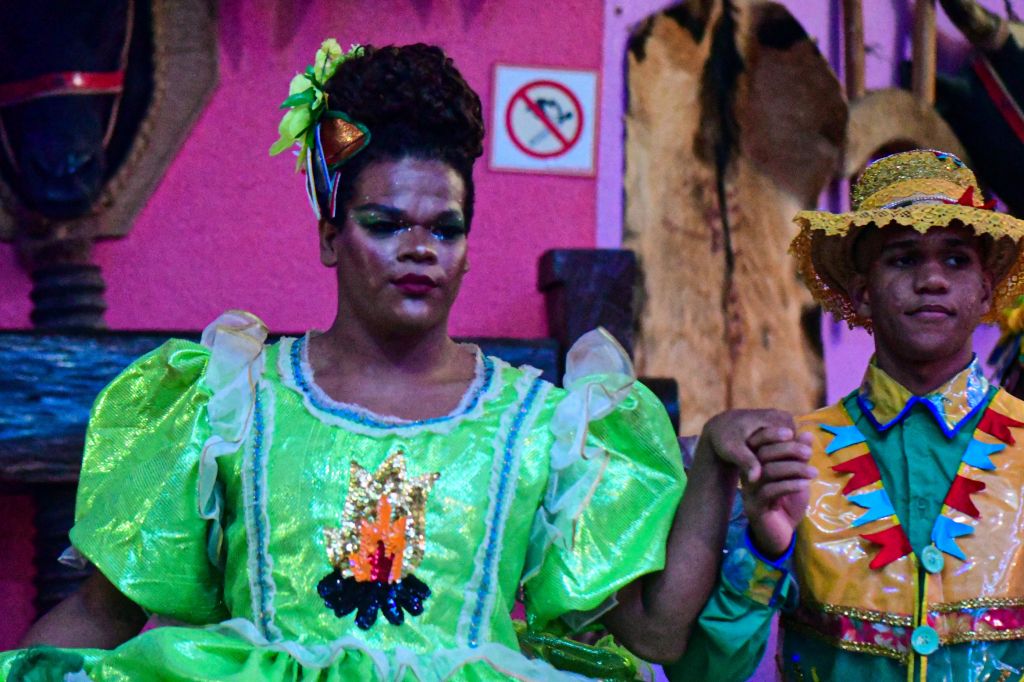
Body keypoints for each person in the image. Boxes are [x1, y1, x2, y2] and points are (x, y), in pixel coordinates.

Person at [0, 41, 811, 681]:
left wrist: (714, 466)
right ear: (331, 236)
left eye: (445, 228)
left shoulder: (540, 425)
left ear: (466, 247)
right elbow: (101, 614)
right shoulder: (234, 402)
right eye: (385, 223)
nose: (419, 248)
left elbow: (657, 633)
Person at [778, 149, 1024, 680]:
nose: (932, 280)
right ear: (863, 294)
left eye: (956, 260)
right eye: (904, 259)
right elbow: (709, 664)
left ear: (985, 292)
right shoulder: (794, 454)